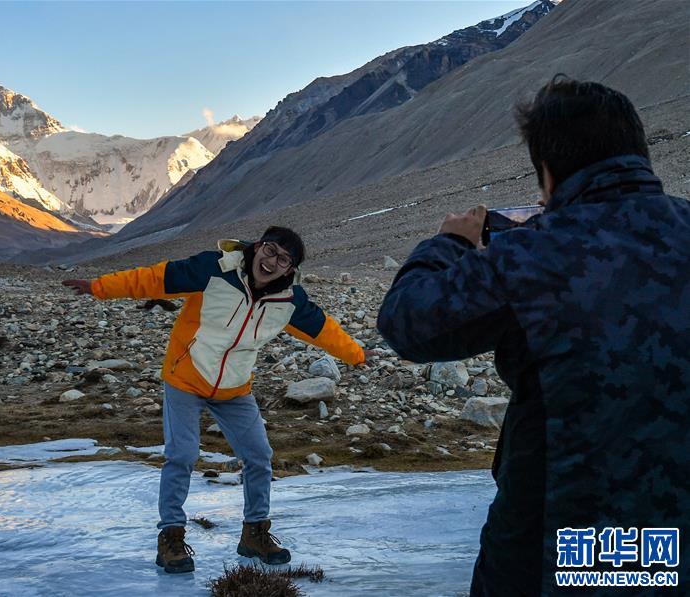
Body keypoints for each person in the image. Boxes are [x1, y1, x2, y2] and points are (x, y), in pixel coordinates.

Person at [376, 76, 689, 595]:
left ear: (548, 173)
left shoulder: (532, 255)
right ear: (639, 150)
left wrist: (449, 243)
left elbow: (407, 322)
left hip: (559, 525)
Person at [64, 227, 368, 574]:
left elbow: (324, 329)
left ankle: (254, 533)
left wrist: (358, 354)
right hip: (185, 379)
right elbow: (155, 279)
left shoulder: (288, 301)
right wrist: (99, 288)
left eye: (284, 260)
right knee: (181, 456)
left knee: (259, 457)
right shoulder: (214, 269)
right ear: (256, 247)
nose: (272, 262)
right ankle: (171, 539)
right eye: (270, 251)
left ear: (290, 270)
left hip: (234, 391)